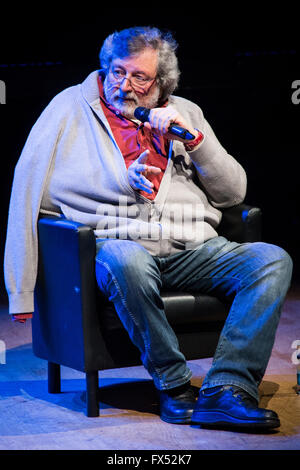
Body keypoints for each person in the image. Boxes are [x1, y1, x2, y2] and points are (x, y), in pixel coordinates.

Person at [4, 26, 293, 430]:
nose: (124, 85)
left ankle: (226, 390)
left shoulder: (186, 113)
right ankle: (175, 387)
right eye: (116, 72)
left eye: (139, 77)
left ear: (162, 83)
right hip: (111, 246)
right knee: (128, 258)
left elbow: (233, 194)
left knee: (270, 259)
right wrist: (21, 290)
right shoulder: (68, 109)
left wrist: (193, 140)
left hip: (189, 248)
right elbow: (28, 190)